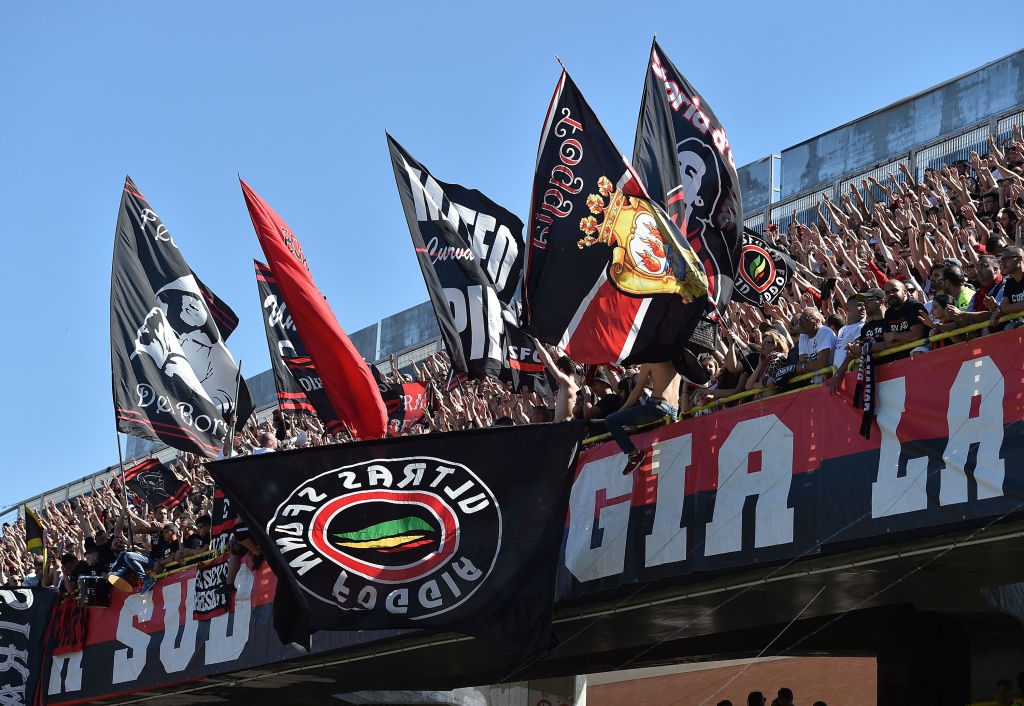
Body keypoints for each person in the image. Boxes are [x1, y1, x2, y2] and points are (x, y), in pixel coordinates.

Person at [604, 361, 681, 475]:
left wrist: (621, 411)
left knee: (611, 420)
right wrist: (636, 376)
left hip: (657, 407)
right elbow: (656, 384)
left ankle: (634, 455)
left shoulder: (649, 360)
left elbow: (637, 391)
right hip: (674, 409)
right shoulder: (676, 360)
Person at [876, 280, 927, 361]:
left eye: (894, 290)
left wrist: (893, 336)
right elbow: (887, 342)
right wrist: (907, 340)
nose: (891, 294)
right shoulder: (888, 313)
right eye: (887, 292)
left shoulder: (915, 306)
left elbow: (917, 335)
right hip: (898, 359)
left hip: (917, 355)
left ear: (905, 292)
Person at [532, 337, 579, 423]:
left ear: (561, 371)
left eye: (557, 369)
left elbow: (548, 362)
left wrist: (536, 341)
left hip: (564, 429)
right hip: (560, 427)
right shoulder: (571, 385)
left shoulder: (567, 382)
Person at [795, 307, 836, 376]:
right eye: (799, 320)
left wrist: (803, 367)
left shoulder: (825, 332)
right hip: (816, 379)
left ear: (817, 321)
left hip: (832, 377)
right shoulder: (803, 336)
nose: (800, 323)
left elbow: (821, 364)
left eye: (804, 319)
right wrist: (804, 367)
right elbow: (801, 363)